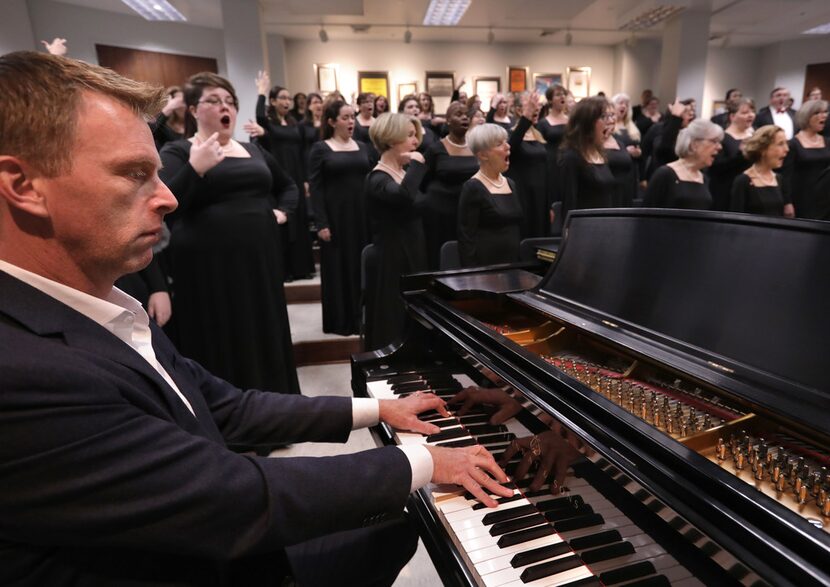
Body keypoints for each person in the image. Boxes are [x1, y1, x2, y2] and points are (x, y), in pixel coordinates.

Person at [0, 50, 515, 587]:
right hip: (204, 561)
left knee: (393, 522)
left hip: (210, 545)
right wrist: (426, 463)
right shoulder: (19, 370)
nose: (169, 197)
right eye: (134, 174)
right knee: (397, 515)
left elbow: (228, 408)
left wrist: (381, 407)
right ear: (24, 186)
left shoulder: (100, 307)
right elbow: (227, 496)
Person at [159, 72, 301, 395]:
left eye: (230, 101)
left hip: (259, 260)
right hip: (208, 268)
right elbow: (166, 204)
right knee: (223, 333)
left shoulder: (254, 151)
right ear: (194, 110)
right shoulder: (179, 151)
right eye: (214, 100)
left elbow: (288, 186)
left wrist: (281, 212)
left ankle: (275, 411)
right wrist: (196, 169)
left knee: (261, 327)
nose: (226, 107)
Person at [309, 98, 374, 335]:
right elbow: (316, 189)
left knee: (361, 265)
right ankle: (342, 320)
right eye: (345, 118)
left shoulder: (363, 146)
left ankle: (362, 317)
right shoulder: (320, 148)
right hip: (336, 218)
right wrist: (321, 222)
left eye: (352, 117)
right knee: (339, 266)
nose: (351, 122)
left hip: (361, 215)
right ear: (331, 121)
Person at [364, 113, 427, 349]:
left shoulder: (402, 173)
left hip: (412, 252)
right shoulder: (377, 178)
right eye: (409, 136)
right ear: (391, 140)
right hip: (392, 259)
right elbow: (403, 197)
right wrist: (419, 165)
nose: (415, 142)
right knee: (394, 318)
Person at [255, 72, 315, 281]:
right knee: (285, 223)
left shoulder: (294, 124)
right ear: (273, 101)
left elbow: (303, 151)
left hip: (297, 175)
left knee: (300, 220)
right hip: (279, 178)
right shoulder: (268, 124)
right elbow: (260, 117)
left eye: (289, 98)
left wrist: (306, 179)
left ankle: (303, 267)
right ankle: (287, 270)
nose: (287, 101)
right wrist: (261, 93)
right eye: (282, 98)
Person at [421, 101, 479, 269]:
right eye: (458, 114)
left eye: (466, 115)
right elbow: (422, 181)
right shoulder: (436, 149)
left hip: (467, 212)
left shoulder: (475, 148)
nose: (464, 117)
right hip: (440, 213)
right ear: (447, 120)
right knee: (442, 259)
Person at [458, 124, 522, 267]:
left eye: (506, 141)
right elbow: (466, 238)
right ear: (483, 154)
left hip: (513, 265)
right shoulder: (473, 187)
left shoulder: (510, 183)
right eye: (500, 144)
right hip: (486, 267)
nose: (507, 147)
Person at [557, 96, 618, 219]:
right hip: (585, 228)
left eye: (610, 116)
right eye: (603, 117)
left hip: (605, 224)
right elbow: (569, 202)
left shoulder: (600, 153)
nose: (610, 121)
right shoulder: (571, 157)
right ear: (587, 123)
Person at [645, 119, 722, 210]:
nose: (719, 147)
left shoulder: (704, 178)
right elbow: (646, 215)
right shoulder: (665, 174)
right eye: (714, 141)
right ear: (694, 144)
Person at [505, 91, 549, 237]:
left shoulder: (539, 135)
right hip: (522, 194)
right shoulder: (508, 134)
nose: (536, 107)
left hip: (540, 195)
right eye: (530, 104)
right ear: (518, 110)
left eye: (536, 105)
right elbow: (512, 147)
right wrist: (526, 118)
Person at [780, 99, 830, 219]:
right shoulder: (793, 144)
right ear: (806, 117)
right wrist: (787, 202)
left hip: (825, 199)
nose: (824, 116)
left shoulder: (827, 142)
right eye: (817, 113)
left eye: (825, 112)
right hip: (801, 197)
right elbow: (785, 176)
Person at [730, 125, 793, 217]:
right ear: (763, 149)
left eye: (786, 143)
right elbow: (736, 219)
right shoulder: (743, 181)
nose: (787, 149)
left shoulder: (779, 179)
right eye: (780, 144)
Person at [707, 98, 755, 210]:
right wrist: (740, 155)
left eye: (752, 112)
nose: (750, 115)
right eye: (744, 112)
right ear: (732, 116)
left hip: (750, 191)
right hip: (727, 191)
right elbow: (715, 167)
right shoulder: (722, 138)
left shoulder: (754, 135)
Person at [643, 98, 695, 179]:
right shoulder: (658, 129)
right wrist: (642, 178)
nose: (691, 114)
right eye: (685, 111)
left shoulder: (691, 133)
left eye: (692, 111)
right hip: (660, 176)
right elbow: (660, 151)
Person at [152, 85, 186, 150]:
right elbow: (152, 134)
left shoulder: (192, 122)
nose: (184, 106)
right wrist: (168, 108)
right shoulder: (163, 126)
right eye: (179, 103)